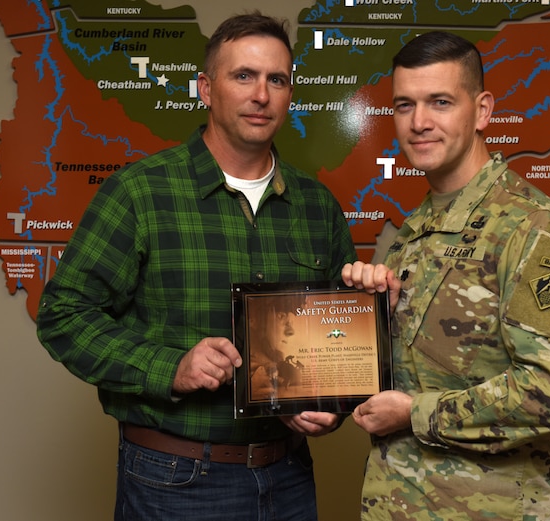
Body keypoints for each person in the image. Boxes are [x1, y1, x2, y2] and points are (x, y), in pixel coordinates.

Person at [36, 11, 356, 521]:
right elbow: (63, 316)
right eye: (243, 76)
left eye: (277, 80)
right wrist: (172, 368)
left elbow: (341, 333)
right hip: (176, 480)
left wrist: (330, 407)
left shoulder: (318, 204)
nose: (261, 95)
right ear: (206, 89)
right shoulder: (140, 192)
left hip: (290, 477)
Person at [341, 31, 550, 521]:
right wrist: (370, 321)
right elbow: (424, 368)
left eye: (440, 102)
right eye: (404, 105)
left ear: (481, 111)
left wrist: (414, 413)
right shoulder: (415, 232)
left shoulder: (534, 226)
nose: (419, 123)